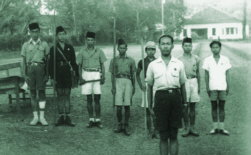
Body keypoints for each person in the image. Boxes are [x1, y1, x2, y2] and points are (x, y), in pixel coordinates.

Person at [146, 35, 187, 155]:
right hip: (160, 99)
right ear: (159, 46)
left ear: (172, 46)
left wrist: (184, 103)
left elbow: (183, 85)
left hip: (175, 98)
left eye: (168, 43)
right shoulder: (153, 65)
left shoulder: (179, 63)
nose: (165, 46)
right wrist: (150, 106)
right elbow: (149, 86)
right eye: (163, 43)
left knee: (173, 135)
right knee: (163, 136)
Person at [48, 26, 79, 127]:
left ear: (65, 35)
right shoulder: (53, 48)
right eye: (59, 34)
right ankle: (61, 117)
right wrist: (52, 77)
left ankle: (68, 117)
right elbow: (50, 64)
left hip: (67, 73)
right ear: (56, 36)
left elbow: (74, 63)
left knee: (67, 94)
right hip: (58, 74)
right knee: (60, 95)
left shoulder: (70, 47)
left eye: (63, 34)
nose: (61, 36)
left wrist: (77, 75)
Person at [21, 22, 50, 126]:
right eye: (32, 32)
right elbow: (23, 61)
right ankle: (35, 117)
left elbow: (48, 61)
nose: (34, 34)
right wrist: (24, 75)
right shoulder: (25, 45)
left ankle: (42, 117)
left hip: (41, 69)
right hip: (30, 70)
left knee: (41, 93)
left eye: (36, 32)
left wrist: (47, 74)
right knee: (32, 94)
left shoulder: (44, 44)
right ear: (29, 33)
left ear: (39, 32)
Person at [77, 31, 107, 128]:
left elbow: (102, 65)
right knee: (89, 98)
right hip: (86, 74)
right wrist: (80, 77)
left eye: (92, 40)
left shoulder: (99, 51)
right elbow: (79, 66)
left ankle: (98, 119)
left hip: (96, 74)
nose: (90, 42)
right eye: (88, 40)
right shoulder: (82, 51)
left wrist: (103, 76)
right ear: (86, 41)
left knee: (97, 98)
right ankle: (91, 119)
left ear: (95, 41)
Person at [202, 40, 231, 135]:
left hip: (222, 86)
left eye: (217, 47)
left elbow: (227, 74)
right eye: (213, 47)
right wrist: (207, 87)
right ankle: (215, 128)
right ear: (211, 49)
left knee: (222, 107)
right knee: (214, 107)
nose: (215, 49)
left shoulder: (225, 59)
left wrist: (228, 86)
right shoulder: (207, 60)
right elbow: (206, 75)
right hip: (212, 86)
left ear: (220, 48)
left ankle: (222, 128)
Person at [109, 39, 136, 136]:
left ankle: (126, 125)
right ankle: (120, 124)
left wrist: (134, 86)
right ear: (117, 48)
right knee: (119, 106)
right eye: (120, 48)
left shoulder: (131, 60)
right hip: (118, 82)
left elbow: (133, 74)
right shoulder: (114, 60)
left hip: (128, 81)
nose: (122, 49)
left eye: (124, 48)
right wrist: (113, 86)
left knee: (127, 105)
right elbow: (112, 75)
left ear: (126, 49)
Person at [136, 41, 158, 138]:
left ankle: (156, 131)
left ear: (155, 50)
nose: (151, 51)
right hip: (146, 85)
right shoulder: (142, 62)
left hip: (156, 86)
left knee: (156, 109)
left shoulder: (158, 61)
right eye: (149, 49)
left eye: (153, 49)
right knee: (148, 110)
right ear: (146, 50)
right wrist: (141, 85)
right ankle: (149, 130)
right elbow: (137, 74)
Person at [179, 38, 200, 137]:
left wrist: (198, 86)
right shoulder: (179, 59)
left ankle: (192, 127)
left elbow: (198, 72)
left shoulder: (196, 58)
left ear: (192, 47)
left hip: (194, 81)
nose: (188, 47)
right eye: (186, 45)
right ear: (182, 46)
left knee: (193, 106)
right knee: (184, 106)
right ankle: (186, 127)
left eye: (189, 45)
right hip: (184, 82)